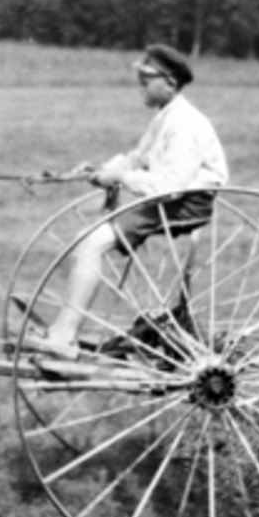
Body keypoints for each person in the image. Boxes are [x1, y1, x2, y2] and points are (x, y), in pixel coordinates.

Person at [42, 43, 229, 359]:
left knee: (91, 243)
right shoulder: (165, 116)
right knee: (86, 240)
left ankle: (63, 337)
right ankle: (63, 330)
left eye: (147, 77)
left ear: (170, 82)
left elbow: (171, 187)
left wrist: (119, 178)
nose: (139, 83)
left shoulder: (185, 124)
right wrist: (103, 169)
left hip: (184, 202)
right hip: (168, 199)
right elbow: (138, 158)